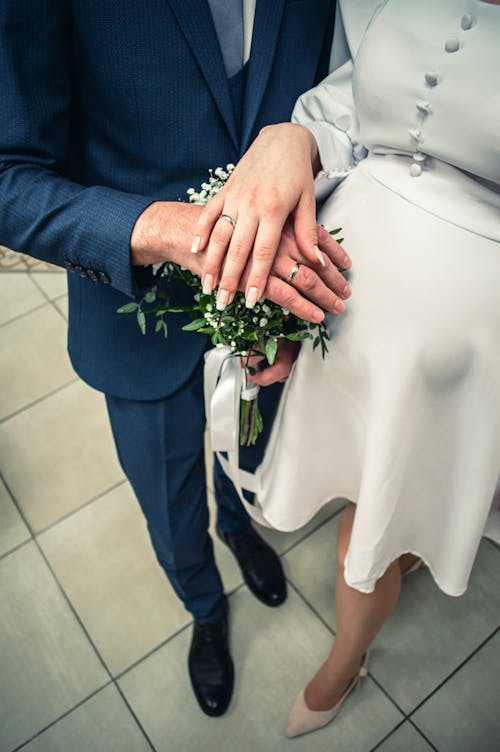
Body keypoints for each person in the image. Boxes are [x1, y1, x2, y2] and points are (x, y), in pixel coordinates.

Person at [0, 0, 355, 718]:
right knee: (166, 492)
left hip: (271, 303)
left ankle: (237, 524)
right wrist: (162, 228)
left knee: (250, 445)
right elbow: (9, 177)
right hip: (134, 313)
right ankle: (202, 605)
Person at [195, 0, 500, 736]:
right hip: (347, 305)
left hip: (458, 347)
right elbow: (347, 97)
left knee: (369, 525)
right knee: (354, 472)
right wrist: (293, 136)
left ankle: (347, 658)